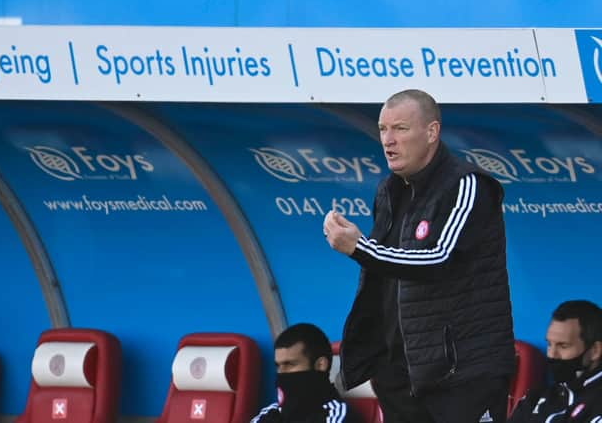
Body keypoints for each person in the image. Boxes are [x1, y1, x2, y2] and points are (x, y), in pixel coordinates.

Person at [323, 89, 515, 423]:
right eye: (383, 129)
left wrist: (359, 247)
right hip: (402, 374)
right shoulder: (389, 190)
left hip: (462, 375)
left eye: (400, 128)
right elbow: (383, 274)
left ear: (431, 132)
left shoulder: (467, 185)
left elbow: (439, 258)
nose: (388, 140)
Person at [508, 300, 602, 423]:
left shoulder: (596, 403)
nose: (552, 354)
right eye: (549, 344)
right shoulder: (535, 398)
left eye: (563, 346)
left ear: (595, 351)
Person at [250, 323, 353, 423]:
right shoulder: (271, 412)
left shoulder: (333, 414)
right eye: (278, 365)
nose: (281, 372)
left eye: (289, 364)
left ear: (320, 365)